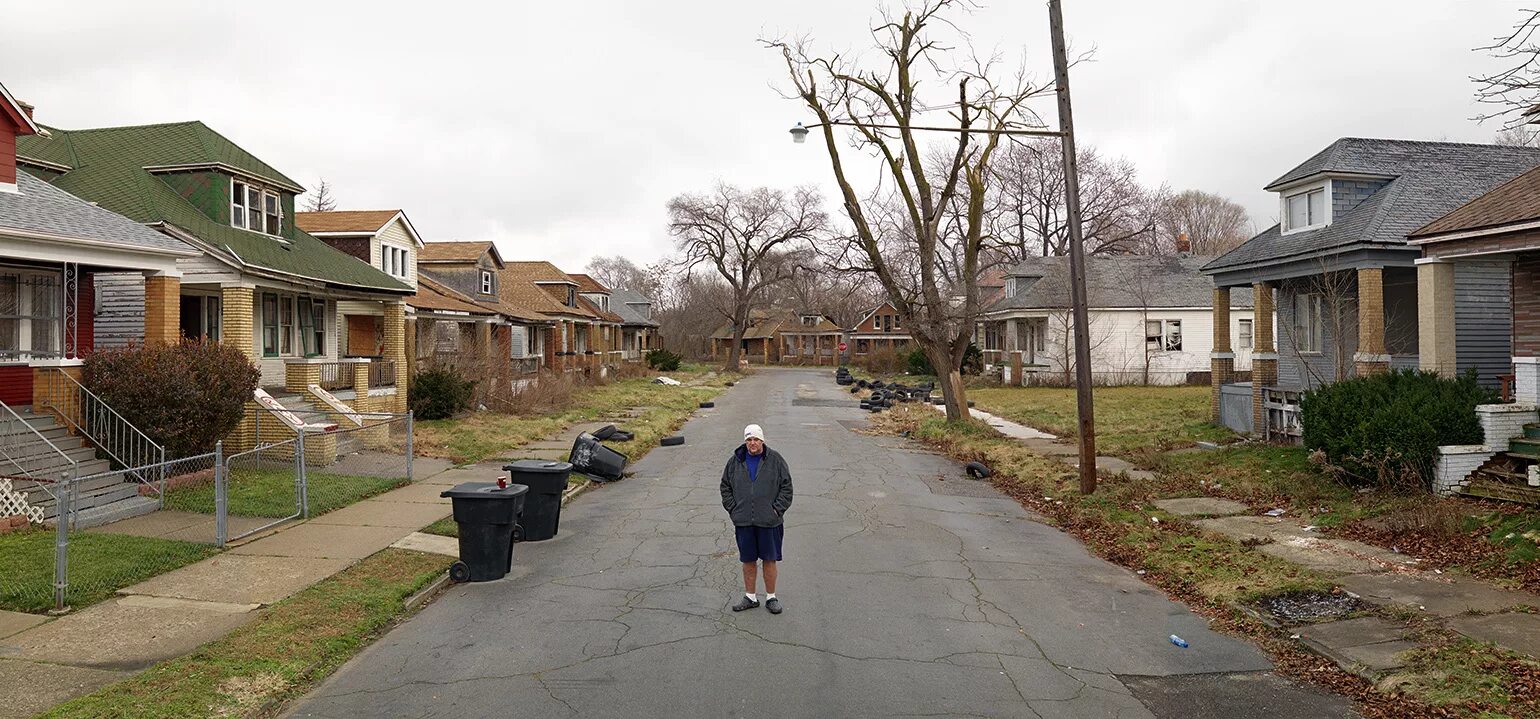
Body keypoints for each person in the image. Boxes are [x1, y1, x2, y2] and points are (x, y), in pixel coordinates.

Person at [720, 423, 793, 614]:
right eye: (749, 439)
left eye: (756, 439)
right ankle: (750, 597)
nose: (753, 443)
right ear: (745, 441)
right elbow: (725, 486)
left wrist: (776, 510)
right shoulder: (734, 461)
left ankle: (771, 597)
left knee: (769, 559)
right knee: (748, 560)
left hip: (770, 521)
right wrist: (733, 510)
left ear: (762, 441)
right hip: (744, 521)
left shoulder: (775, 460)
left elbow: (787, 487)